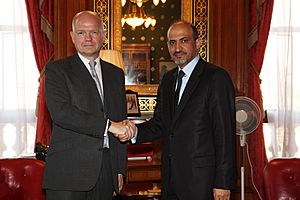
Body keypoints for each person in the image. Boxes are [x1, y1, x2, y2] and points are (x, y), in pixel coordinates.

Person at [111, 20, 237, 200]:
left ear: (198, 43)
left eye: (184, 41)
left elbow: (224, 134)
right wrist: (133, 131)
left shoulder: (216, 78)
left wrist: (223, 182)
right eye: (172, 42)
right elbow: (160, 123)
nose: (177, 48)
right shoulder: (168, 79)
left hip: (204, 183)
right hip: (171, 181)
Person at [43, 10, 130, 200]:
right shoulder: (57, 70)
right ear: (73, 37)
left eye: (94, 32)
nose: (88, 38)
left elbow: (120, 121)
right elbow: (62, 114)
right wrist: (108, 126)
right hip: (68, 174)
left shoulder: (116, 74)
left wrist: (119, 168)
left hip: (106, 173)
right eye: (82, 32)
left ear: (103, 36)